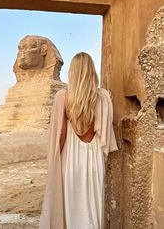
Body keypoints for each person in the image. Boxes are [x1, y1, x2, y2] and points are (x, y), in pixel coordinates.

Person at [39, 52, 118, 229]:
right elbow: (104, 129)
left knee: (73, 209)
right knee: (93, 208)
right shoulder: (103, 97)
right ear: (92, 71)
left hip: (71, 160)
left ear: (73, 72)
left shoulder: (63, 97)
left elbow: (61, 135)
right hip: (95, 161)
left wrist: (54, 164)